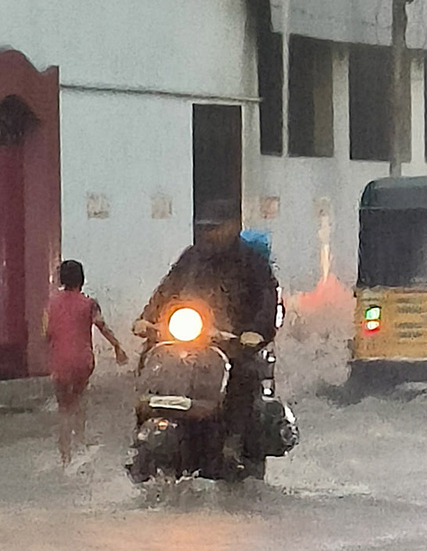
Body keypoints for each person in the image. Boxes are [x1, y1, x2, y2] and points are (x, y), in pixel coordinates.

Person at [133, 200, 280, 467]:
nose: (208, 234)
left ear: (233, 227)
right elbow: (167, 288)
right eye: (204, 229)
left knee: (243, 375)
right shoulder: (191, 257)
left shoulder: (252, 261)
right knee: (150, 361)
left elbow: (267, 300)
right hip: (189, 338)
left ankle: (233, 443)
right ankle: (143, 435)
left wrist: (255, 332)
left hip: (233, 342)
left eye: (215, 228)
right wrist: (147, 317)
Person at [43, 260, 127, 465]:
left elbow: (46, 333)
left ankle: (65, 456)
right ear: (82, 278)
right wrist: (118, 347)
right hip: (82, 361)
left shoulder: (50, 304)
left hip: (60, 361)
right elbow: (103, 327)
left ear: (61, 279)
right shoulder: (89, 304)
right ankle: (80, 442)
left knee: (64, 408)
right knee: (79, 401)